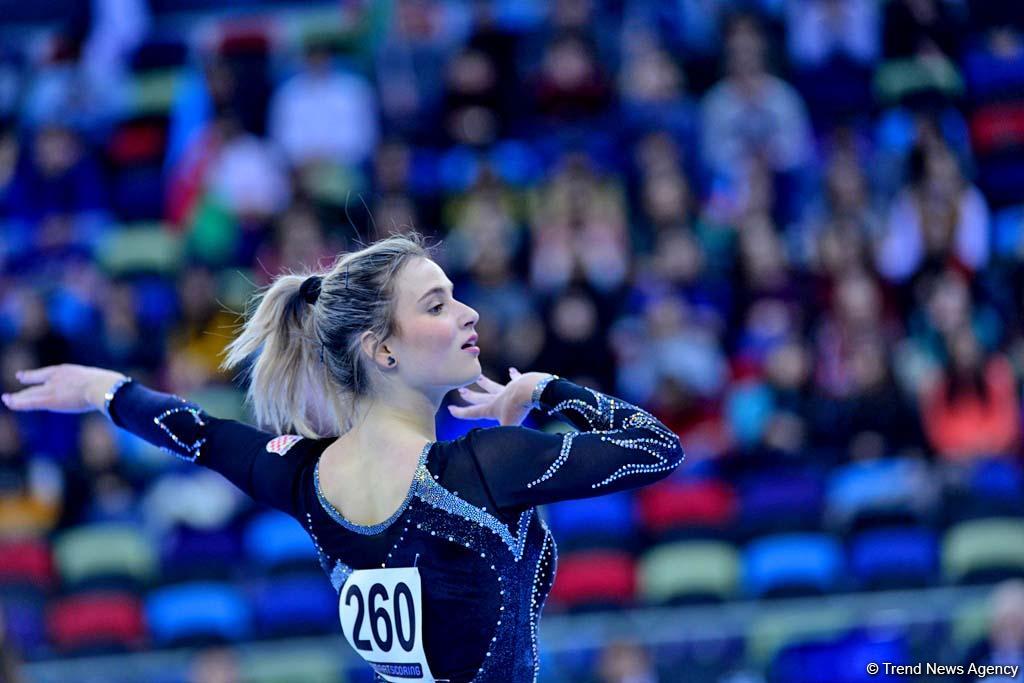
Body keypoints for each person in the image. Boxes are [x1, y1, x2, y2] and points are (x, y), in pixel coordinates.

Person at [1, 232, 686, 682]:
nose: (469, 314)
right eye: (438, 304)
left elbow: (201, 433)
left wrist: (103, 390)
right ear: (381, 348)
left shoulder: (304, 476)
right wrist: (545, 388)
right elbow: (657, 447)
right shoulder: (484, 466)